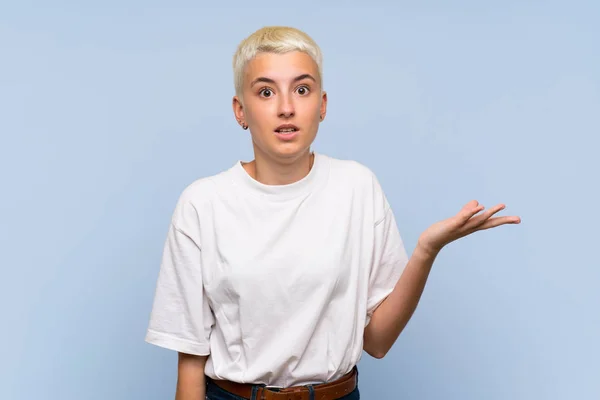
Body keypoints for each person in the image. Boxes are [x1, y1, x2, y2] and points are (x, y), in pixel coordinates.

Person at [145, 26, 521, 400]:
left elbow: (378, 341)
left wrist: (426, 251)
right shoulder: (203, 203)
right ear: (240, 110)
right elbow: (191, 363)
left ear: (322, 106)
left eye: (302, 89)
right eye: (265, 92)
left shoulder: (357, 187)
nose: (286, 107)